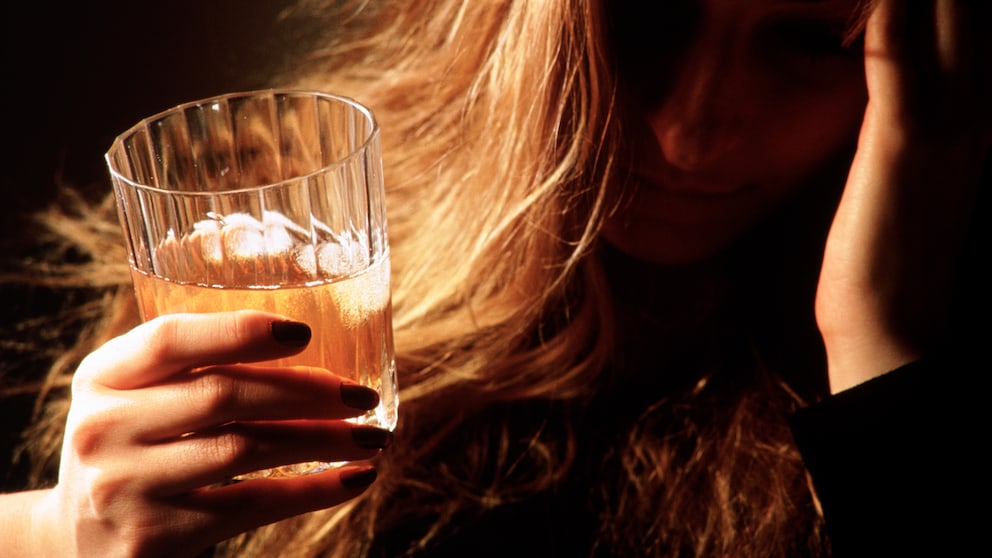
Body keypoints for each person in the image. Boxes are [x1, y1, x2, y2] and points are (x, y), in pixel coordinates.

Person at [1, 0, 989, 556]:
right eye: (650, 18)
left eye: (810, 40)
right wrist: (58, 532)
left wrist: (882, 354)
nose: (694, 132)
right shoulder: (264, 236)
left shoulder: (934, 331)